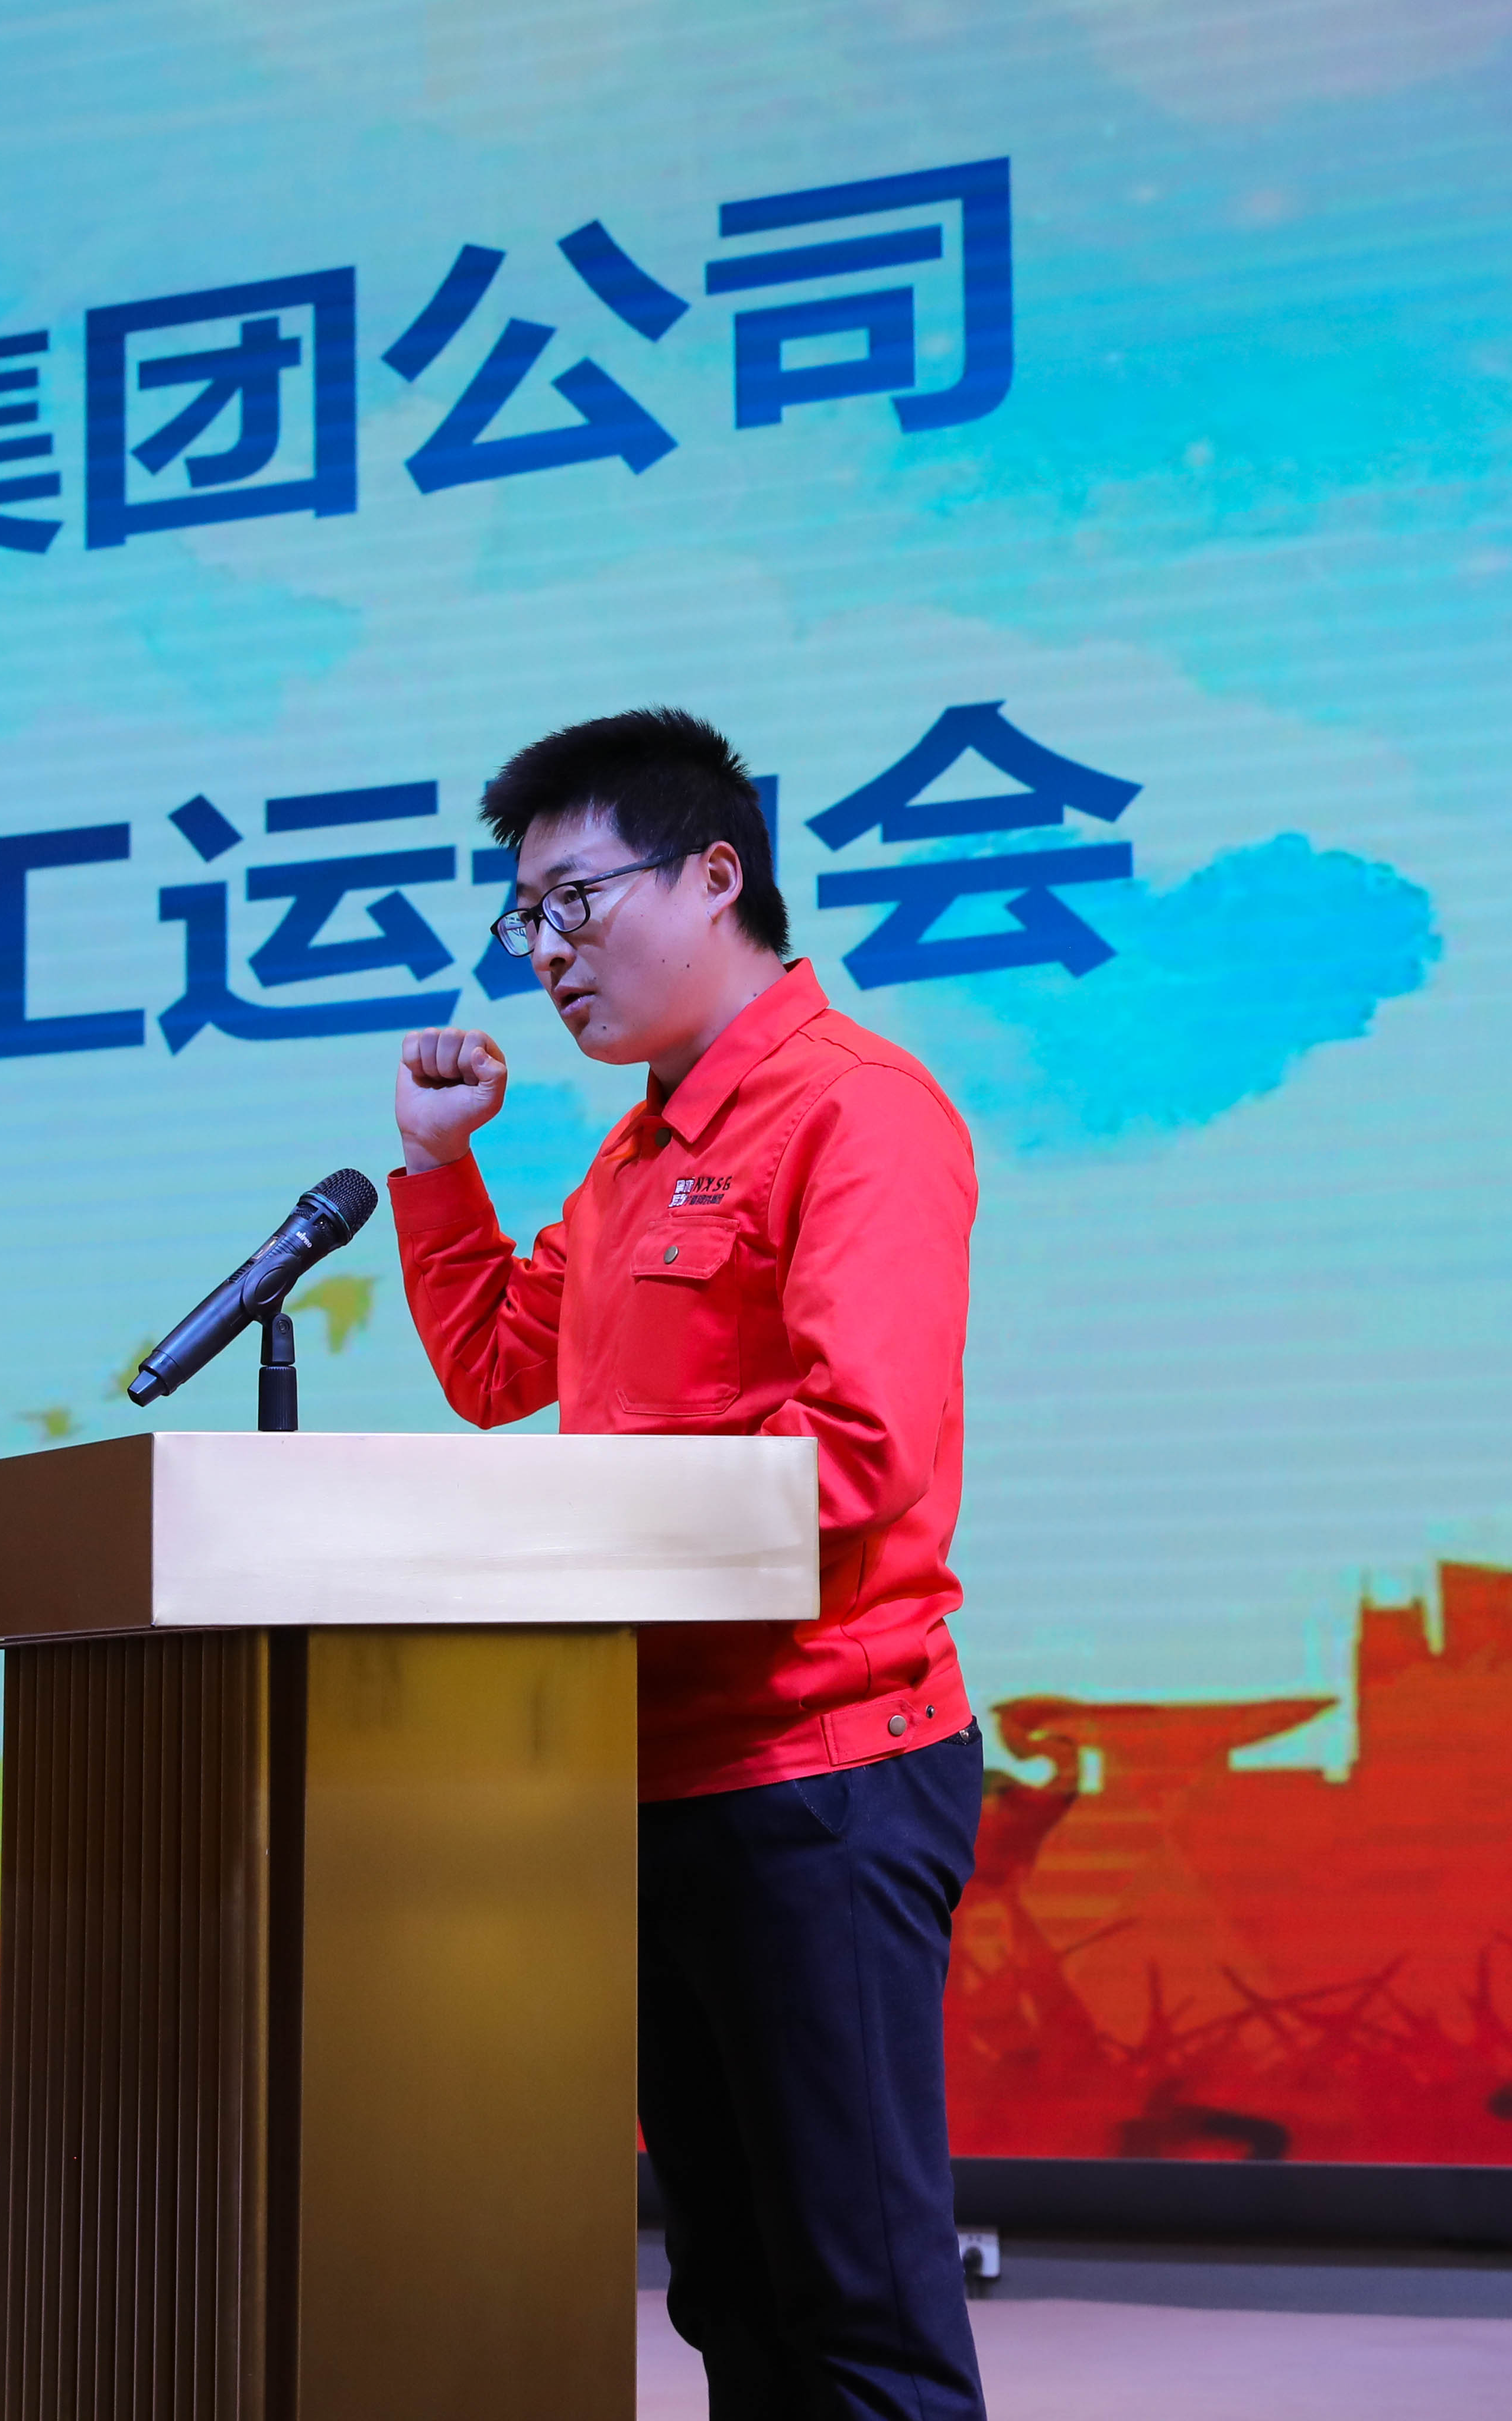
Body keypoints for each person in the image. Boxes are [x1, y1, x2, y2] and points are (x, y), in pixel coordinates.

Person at [389, 708, 988, 2421]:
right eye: (525, 918)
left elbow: (858, 1454)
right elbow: (496, 1363)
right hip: (647, 1779)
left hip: (821, 1773)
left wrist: (573, 1539)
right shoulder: (638, 1153)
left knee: (856, 2307)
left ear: (716, 875)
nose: (545, 955)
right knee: (734, 2295)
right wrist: (438, 1164)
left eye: (574, 901)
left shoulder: (856, 1111)